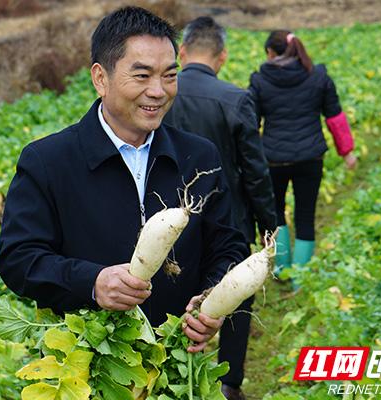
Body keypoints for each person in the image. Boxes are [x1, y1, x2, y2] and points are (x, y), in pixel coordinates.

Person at [0, 6, 249, 356]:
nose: (159, 91)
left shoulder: (199, 157)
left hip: (176, 356)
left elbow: (228, 246)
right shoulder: (48, 160)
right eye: (142, 76)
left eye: (169, 75)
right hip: (88, 363)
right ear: (101, 78)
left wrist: (211, 298)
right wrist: (92, 282)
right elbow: (19, 259)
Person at [163, 16, 276, 400]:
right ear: (222, 56)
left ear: (181, 52)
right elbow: (255, 169)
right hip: (230, 216)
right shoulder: (235, 98)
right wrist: (269, 222)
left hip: (168, 212)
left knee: (170, 283)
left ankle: (169, 371)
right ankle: (229, 382)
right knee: (235, 291)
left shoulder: (159, 94)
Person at [249, 30, 357, 272]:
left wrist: (248, 159)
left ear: (270, 53)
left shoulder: (259, 80)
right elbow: (335, 117)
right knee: (305, 214)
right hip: (310, 158)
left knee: (276, 211)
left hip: (274, 159)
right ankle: (302, 274)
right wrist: (347, 152)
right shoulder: (318, 76)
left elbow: (251, 124)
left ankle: (282, 267)